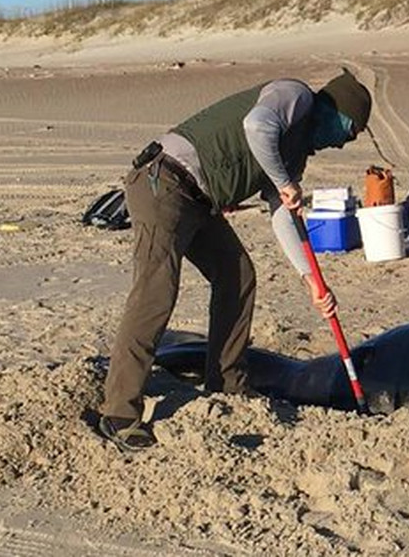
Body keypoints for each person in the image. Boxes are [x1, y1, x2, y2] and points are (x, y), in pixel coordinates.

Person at [97, 70, 373, 450]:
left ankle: (226, 383)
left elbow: (282, 215)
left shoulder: (295, 152)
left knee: (237, 274)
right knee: (156, 292)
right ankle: (119, 412)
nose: (342, 144)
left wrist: (310, 279)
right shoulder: (295, 96)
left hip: (199, 200)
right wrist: (282, 182)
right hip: (164, 182)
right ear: (337, 112)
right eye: (349, 132)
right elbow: (256, 126)